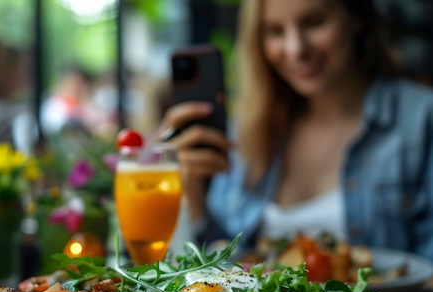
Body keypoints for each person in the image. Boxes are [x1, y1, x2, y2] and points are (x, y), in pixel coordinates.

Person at [157, 0, 433, 259]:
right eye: (275, 31)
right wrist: (190, 189)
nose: (295, 49)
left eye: (314, 23)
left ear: (355, 18)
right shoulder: (248, 128)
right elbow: (224, 258)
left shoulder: (419, 119)